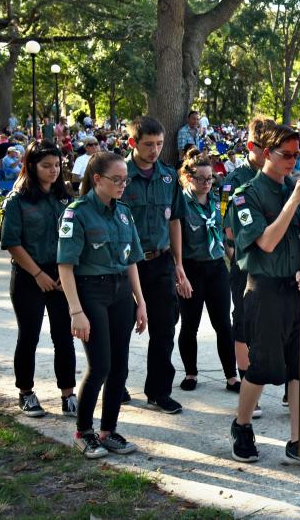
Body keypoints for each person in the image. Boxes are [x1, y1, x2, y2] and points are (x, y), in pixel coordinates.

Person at [227, 123, 300, 473]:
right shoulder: (247, 195)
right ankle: (242, 426)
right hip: (265, 290)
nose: (292, 161)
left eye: (296, 155)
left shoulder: (296, 187)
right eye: (286, 155)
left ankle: (298, 442)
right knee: (264, 366)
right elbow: (267, 242)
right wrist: (293, 202)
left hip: (296, 291)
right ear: (265, 152)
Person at [57, 151, 148, 459]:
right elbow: (65, 266)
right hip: (90, 293)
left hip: (121, 291)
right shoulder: (77, 212)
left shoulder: (123, 212)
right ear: (97, 179)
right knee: (100, 366)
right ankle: (83, 432)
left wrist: (140, 301)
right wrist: (75, 311)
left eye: (126, 179)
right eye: (116, 179)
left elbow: (132, 260)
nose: (123, 184)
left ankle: (108, 431)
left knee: (120, 368)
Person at [0, 140, 76, 419]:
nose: (54, 171)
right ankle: (26, 392)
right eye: (46, 166)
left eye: (57, 165)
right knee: (29, 335)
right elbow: (11, 243)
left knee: (64, 336)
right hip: (29, 275)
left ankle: (68, 393)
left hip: (60, 276)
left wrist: (60, 274)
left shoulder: (64, 198)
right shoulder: (17, 199)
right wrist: (38, 274)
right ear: (31, 166)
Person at [123, 116, 192, 414]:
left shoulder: (167, 176)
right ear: (132, 143)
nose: (154, 150)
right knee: (119, 328)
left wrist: (178, 263)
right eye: (148, 144)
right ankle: (116, 383)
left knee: (165, 329)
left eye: (159, 144)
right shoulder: (118, 174)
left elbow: (175, 219)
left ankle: (159, 390)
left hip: (160, 261)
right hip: (125, 265)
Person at [176, 150, 239, 393]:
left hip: (215, 268)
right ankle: (191, 373)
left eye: (210, 178)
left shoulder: (217, 200)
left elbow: (225, 233)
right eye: (201, 179)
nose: (206, 183)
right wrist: (178, 273)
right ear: (189, 178)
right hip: (191, 269)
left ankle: (231, 376)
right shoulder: (181, 203)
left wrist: (233, 258)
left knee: (223, 323)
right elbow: (176, 240)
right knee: (189, 325)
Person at [221, 117, 270, 418]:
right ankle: (247, 383)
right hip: (246, 260)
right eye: (267, 148)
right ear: (252, 147)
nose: (272, 154)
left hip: (275, 262)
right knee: (243, 321)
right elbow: (228, 222)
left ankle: (292, 390)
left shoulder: (280, 177)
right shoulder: (235, 179)